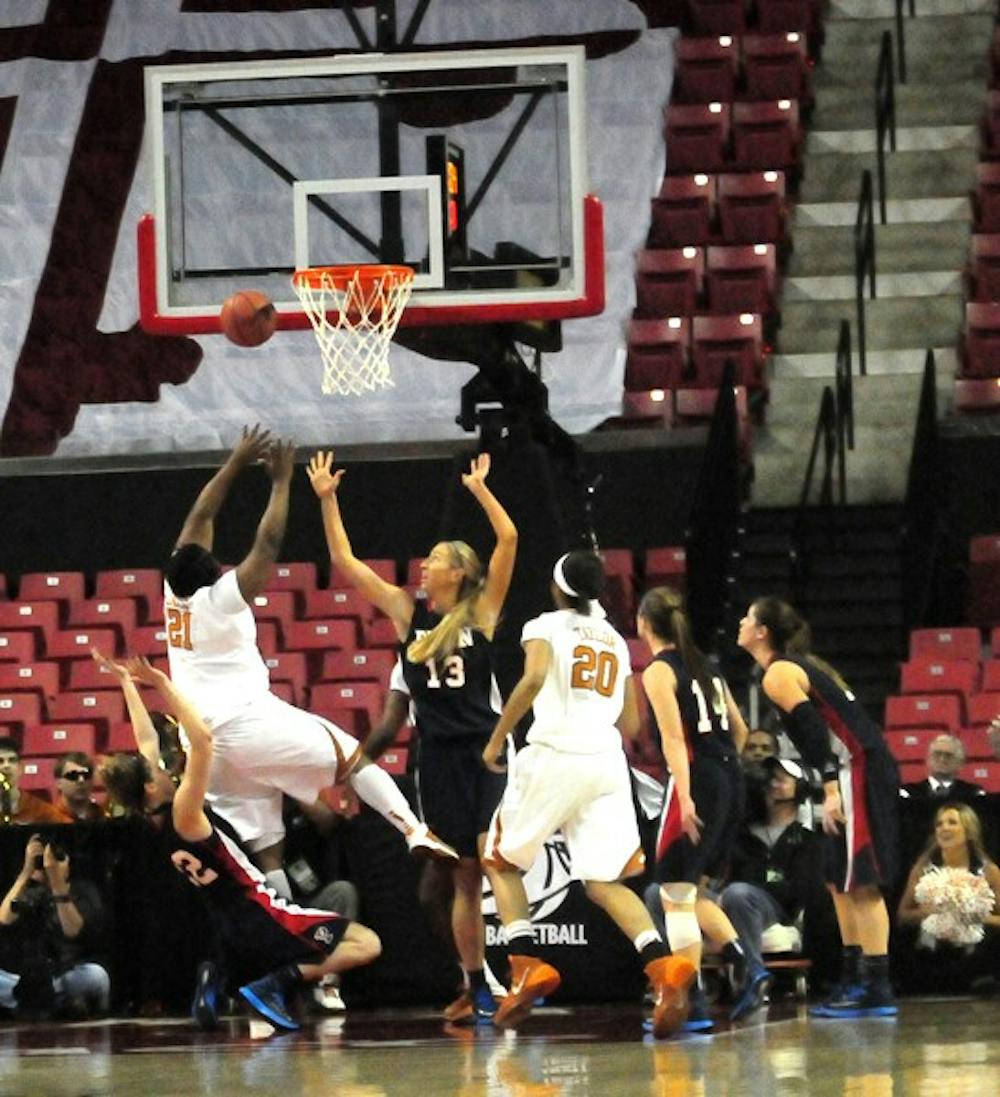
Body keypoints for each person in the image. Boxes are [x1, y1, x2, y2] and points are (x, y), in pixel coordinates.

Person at [163, 426, 455, 901]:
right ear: (213, 575)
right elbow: (269, 544)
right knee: (353, 758)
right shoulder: (219, 601)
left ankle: (285, 937)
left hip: (202, 746)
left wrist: (235, 462)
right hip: (244, 721)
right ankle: (412, 828)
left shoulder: (172, 594)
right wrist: (279, 483)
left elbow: (201, 514)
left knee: (268, 843)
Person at [307, 448, 517, 1024]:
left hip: (488, 754)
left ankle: (521, 967)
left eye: (434, 561)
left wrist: (481, 492)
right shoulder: (407, 615)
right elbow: (346, 561)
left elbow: (509, 540)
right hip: (440, 758)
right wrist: (328, 501)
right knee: (464, 877)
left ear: (459, 572)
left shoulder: (482, 613)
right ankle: (475, 984)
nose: (423, 568)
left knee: (494, 860)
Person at [96, 652, 382, 1033]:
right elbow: (202, 741)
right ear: (150, 786)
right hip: (261, 909)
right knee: (368, 944)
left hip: (230, 918)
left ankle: (225, 980)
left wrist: (127, 682)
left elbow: (146, 738)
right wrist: (162, 684)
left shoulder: (147, 815)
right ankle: (279, 982)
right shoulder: (184, 810)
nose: (164, 765)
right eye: (157, 768)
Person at [481, 551, 696, 1039]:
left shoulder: (544, 625)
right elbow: (632, 722)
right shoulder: (616, 640)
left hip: (555, 752)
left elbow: (534, 679)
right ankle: (662, 966)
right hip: (606, 760)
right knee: (604, 882)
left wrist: (497, 738)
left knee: (501, 862)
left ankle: (524, 964)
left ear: (557, 589)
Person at [738, 596, 900, 1018]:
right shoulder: (797, 667)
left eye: (748, 618)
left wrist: (830, 787)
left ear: (762, 632)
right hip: (850, 766)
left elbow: (813, 732)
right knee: (836, 881)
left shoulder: (779, 672)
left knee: (861, 881)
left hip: (856, 766)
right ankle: (853, 978)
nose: (740, 623)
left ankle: (877, 987)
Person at [637, 586, 767, 1028]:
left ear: (642, 624)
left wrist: (687, 794)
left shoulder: (658, 671)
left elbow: (674, 739)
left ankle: (689, 1002)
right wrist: (724, 769)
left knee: (673, 893)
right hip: (729, 774)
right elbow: (741, 727)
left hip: (695, 776)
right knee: (692, 892)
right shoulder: (706, 665)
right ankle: (747, 966)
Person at [719, 757, 825, 981]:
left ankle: (752, 975)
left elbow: (799, 888)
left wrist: (763, 877)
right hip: (734, 897)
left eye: (782, 780)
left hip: (776, 908)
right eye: (771, 779)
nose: (773, 784)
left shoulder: (805, 840)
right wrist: (768, 875)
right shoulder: (743, 834)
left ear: (800, 788)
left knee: (739, 894)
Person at [0, 833, 111, 1019]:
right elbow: (4, 919)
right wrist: (26, 871)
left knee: (97, 976)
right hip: (24, 981)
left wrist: (56, 879)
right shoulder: (30, 892)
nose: (46, 866)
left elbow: (73, 930)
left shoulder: (83, 890)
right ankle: (55, 1002)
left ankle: (42, 999)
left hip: (66, 974)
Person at [895, 802, 1000, 994]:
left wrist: (975, 915)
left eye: (952, 822)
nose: (944, 828)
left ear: (969, 832)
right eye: (939, 824)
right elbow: (902, 916)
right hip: (931, 951)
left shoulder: (989, 871)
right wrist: (928, 912)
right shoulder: (923, 868)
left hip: (975, 952)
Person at [899, 734, 987, 805]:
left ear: (960, 763)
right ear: (928, 759)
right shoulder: (908, 793)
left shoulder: (973, 794)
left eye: (948, 755)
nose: (942, 759)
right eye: (937, 754)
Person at [0, 738, 66, 825]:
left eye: (12, 760)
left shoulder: (41, 811)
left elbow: (70, 832)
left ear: (21, 768)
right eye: (0, 761)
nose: (6, 766)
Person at [52, 752, 105, 823]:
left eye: (86, 775)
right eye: (73, 776)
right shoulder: (49, 820)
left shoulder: (104, 818)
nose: (81, 780)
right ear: (59, 783)